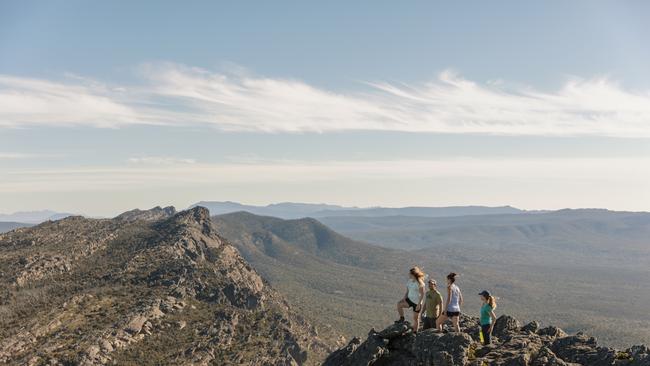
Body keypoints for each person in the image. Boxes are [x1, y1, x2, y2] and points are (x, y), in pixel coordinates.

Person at [396, 267, 426, 332]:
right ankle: (402, 318)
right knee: (399, 304)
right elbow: (407, 291)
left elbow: (422, 294)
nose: (409, 275)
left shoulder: (420, 283)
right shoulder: (409, 281)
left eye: (410, 274)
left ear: (413, 275)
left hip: (417, 303)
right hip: (409, 300)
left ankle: (415, 331)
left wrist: (419, 304)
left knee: (416, 318)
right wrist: (404, 298)